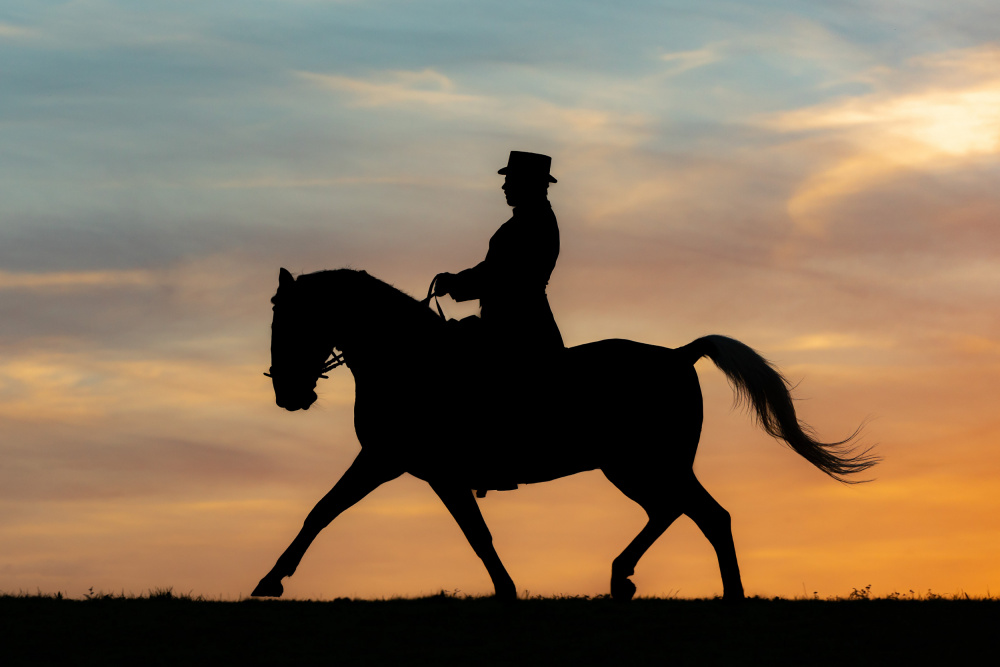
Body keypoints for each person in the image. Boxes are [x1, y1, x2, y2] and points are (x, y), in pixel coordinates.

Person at [433, 151, 564, 362]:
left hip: (516, 330)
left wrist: (454, 283)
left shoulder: (530, 224)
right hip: (519, 325)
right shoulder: (532, 221)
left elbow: (498, 275)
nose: (504, 187)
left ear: (526, 183)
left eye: (510, 180)